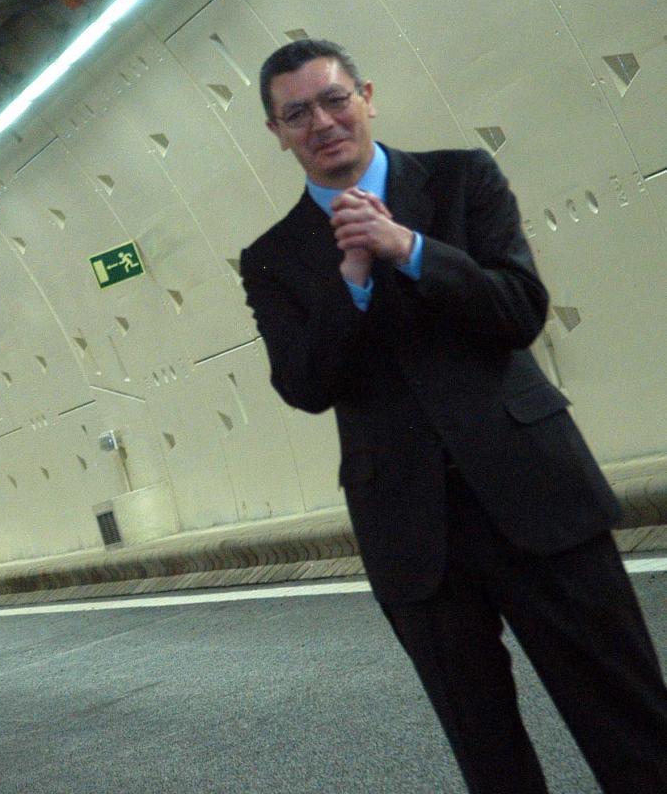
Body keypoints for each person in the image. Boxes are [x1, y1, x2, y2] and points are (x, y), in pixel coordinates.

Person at [238, 39, 667, 792]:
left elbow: (519, 310)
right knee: (488, 753)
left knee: (630, 720)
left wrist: (408, 248)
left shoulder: (462, 178)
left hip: (537, 495)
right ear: (276, 133)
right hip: (410, 531)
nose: (323, 122)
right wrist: (352, 283)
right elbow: (302, 384)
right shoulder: (272, 257)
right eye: (296, 113)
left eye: (335, 99)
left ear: (367, 96)